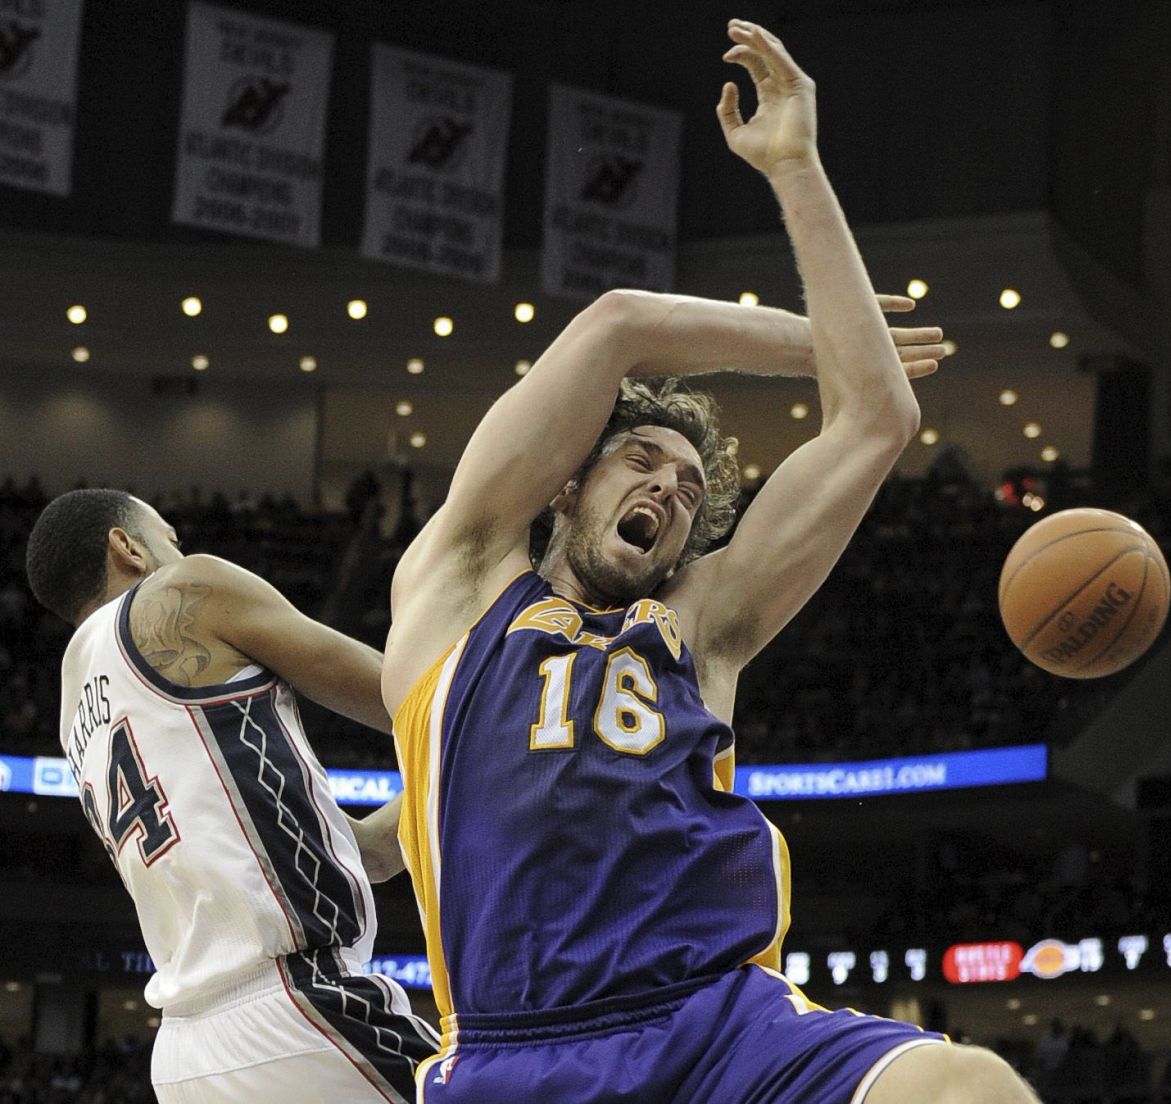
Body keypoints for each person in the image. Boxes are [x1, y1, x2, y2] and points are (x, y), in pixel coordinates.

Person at [383, 19, 1036, 1104]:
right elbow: (618, 326)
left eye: (691, 492)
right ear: (566, 483)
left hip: (719, 1027)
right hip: (516, 1048)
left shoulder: (701, 624)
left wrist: (797, 167)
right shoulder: (461, 585)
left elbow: (879, 416)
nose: (668, 493)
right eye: (640, 461)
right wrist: (813, 333)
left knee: (970, 1089)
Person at [24, 489, 437, 1102]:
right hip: (297, 1009)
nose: (180, 552)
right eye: (170, 538)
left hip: (189, 1055)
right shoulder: (181, 593)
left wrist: (451, 772)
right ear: (127, 547)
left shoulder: (75, 713)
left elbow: (370, 853)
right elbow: (409, 701)